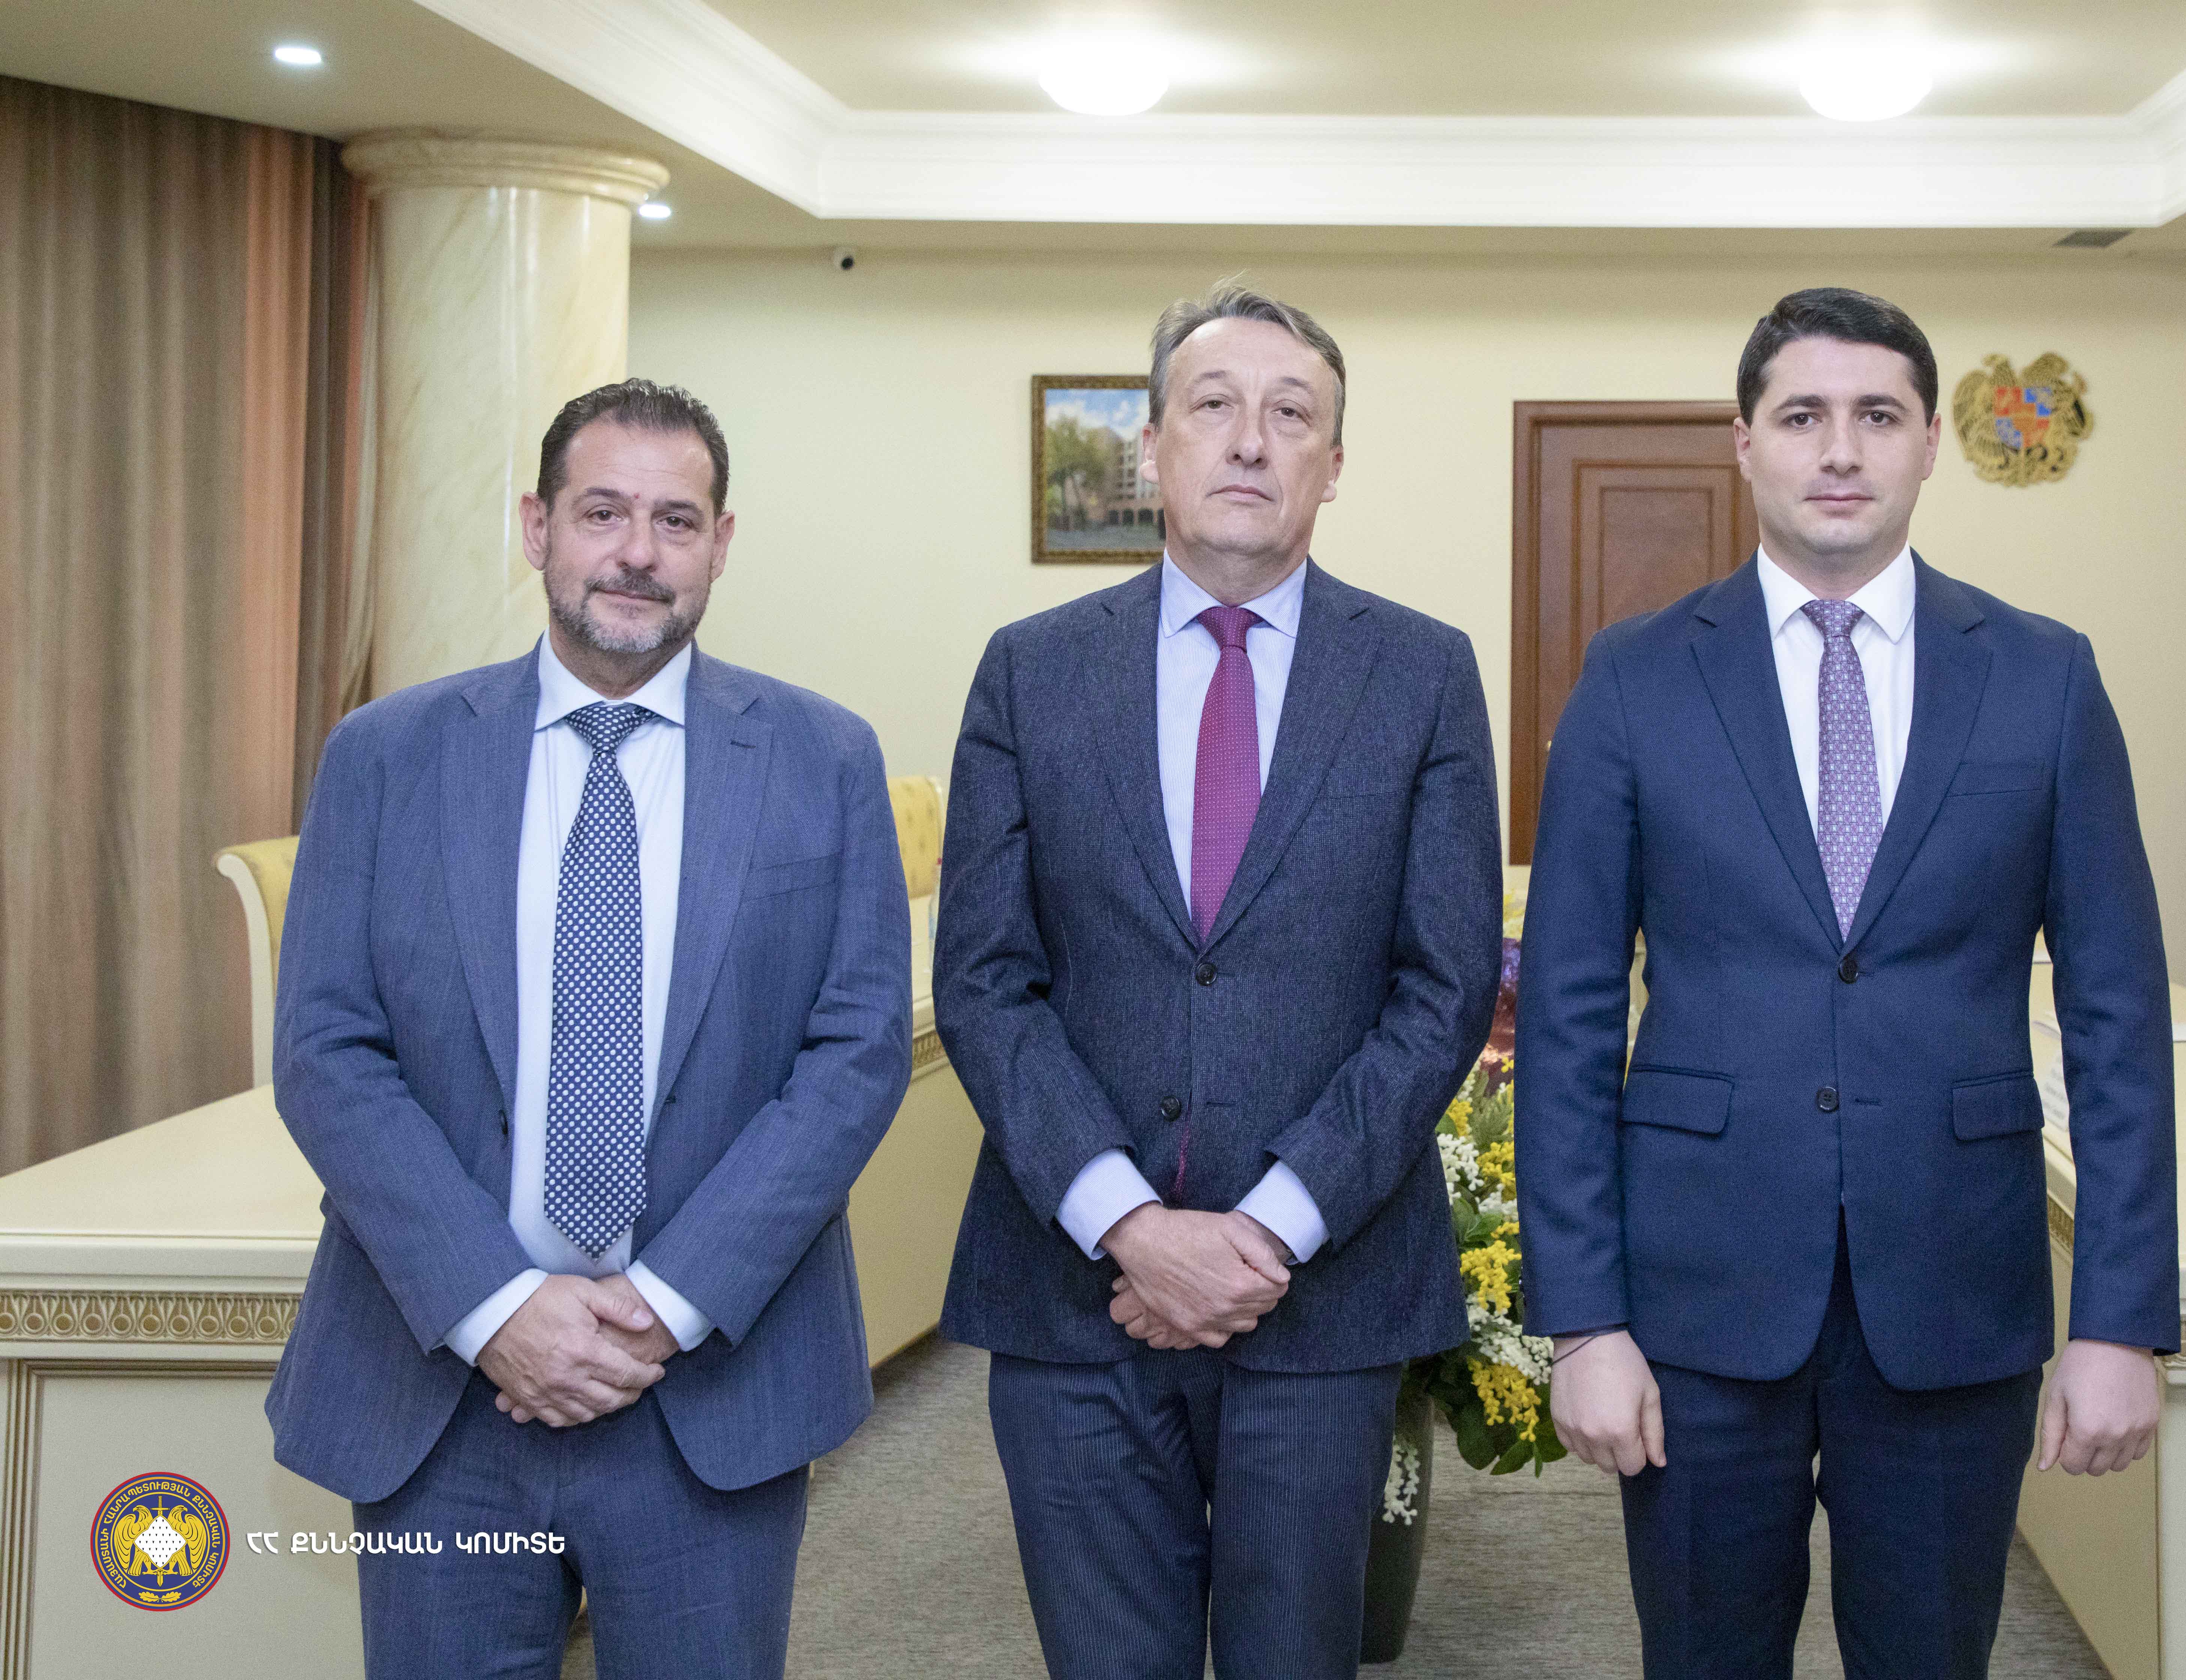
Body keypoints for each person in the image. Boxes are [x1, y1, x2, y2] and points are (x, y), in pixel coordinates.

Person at [1518, 288, 2178, 1678]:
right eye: (1802, 416)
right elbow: (1568, 1019)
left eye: (1877, 416)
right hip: (1695, 1301)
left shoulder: (2047, 679)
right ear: (1744, 444)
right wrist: (1582, 1321)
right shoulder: (1633, 680)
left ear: (1930, 443)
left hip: (1953, 1294)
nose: (1839, 450)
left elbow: (2119, 1019)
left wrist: (2121, 1319)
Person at [268, 379, 911, 1678]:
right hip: (444, 1388)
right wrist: (496, 1307)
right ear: (537, 527)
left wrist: (662, 1310)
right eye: (602, 512)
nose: (637, 553)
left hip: (704, 1390)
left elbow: (855, 1057)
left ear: (722, 544)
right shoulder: (384, 756)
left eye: (677, 521)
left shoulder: (825, 758)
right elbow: (327, 1051)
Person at [933, 280, 1501, 1680]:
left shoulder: (1424, 675)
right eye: (1214, 406)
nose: (1251, 439)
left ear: (1333, 464)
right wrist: (1129, 1224)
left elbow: (1442, 988)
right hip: (1072, 1296)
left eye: (1291, 414)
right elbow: (986, 979)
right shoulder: (1029, 674)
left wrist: (1269, 1233)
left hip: (1325, 1296)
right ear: (1152, 447)